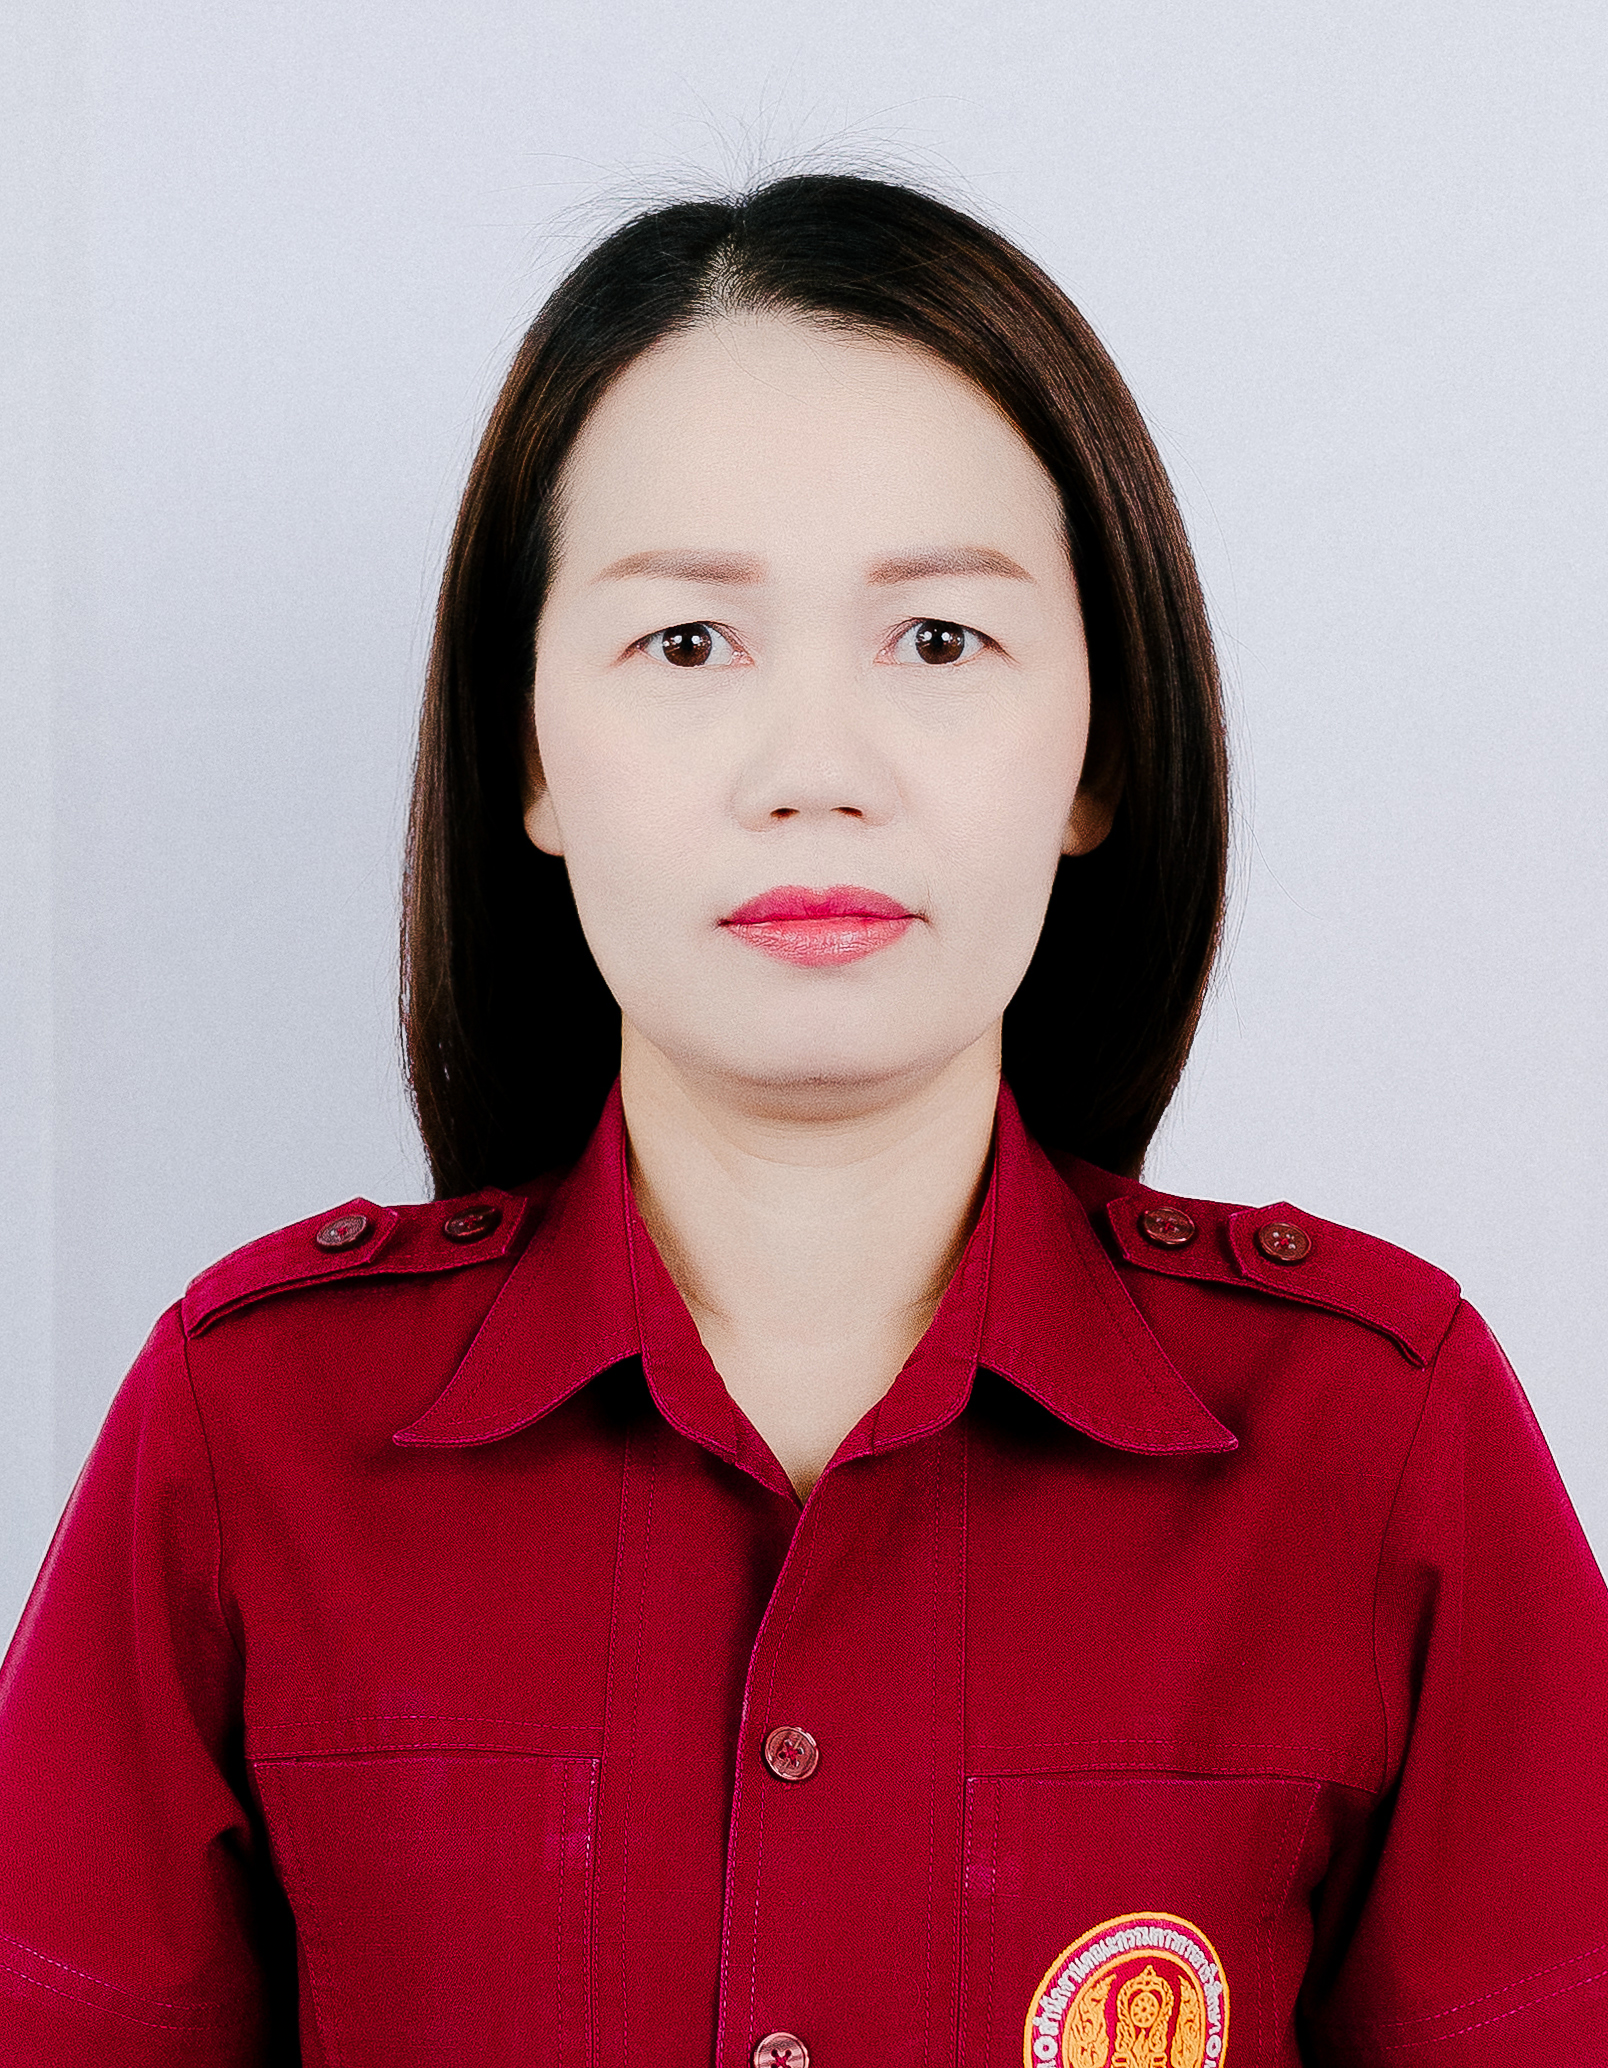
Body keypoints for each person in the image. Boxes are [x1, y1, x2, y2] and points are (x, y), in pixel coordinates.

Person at [0, 170, 1604, 2068]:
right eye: (690, 643)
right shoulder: (250, 1434)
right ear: (530, 754)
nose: (816, 771)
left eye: (939, 640)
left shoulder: (1378, 1442)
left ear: (1098, 750)